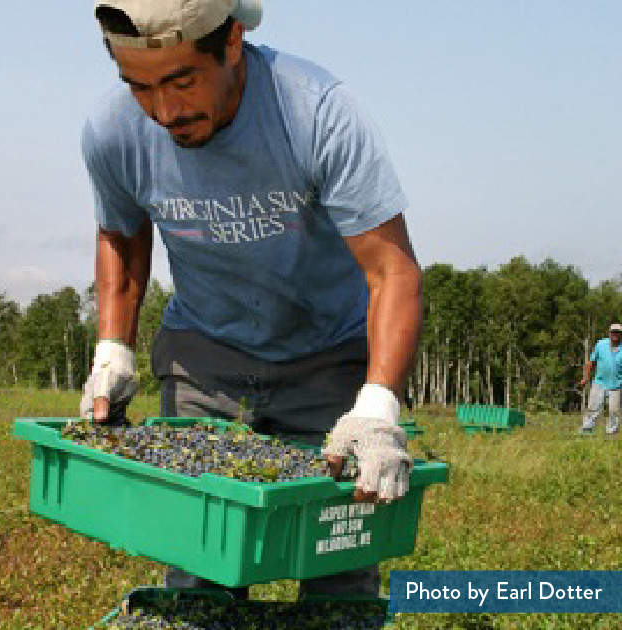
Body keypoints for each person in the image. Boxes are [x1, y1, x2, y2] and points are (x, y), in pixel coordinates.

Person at [76, 0, 421, 599]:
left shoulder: (315, 113)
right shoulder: (112, 131)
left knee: (336, 560)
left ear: (232, 41)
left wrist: (377, 407)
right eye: (140, 87)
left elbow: (393, 272)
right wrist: (113, 349)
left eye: (182, 81)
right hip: (204, 357)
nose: (164, 111)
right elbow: (121, 236)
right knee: (198, 558)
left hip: (325, 357)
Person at [579, 323, 622, 435]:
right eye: (613, 332)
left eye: (618, 332)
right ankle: (587, 430)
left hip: (616, 385)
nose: (615, 334)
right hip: (600, 382)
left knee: (614, 411)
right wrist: (586, 378)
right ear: (609, 333)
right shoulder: (601, 344)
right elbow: (591, 362)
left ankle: (612, 432)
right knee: (593, 407)